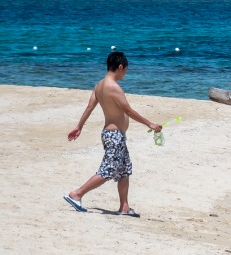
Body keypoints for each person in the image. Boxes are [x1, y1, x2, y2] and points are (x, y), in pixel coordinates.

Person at [64, 51, 162, 216]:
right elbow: (128, 111)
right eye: (125, 70)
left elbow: (90, 107)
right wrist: (150, 124)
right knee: (107, 171)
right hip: (114, 136)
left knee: (124, 170)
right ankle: (77, 194)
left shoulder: (100, 85)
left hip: (114, 135)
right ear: (120, 67)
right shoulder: (113, 87)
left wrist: (79, 126)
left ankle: (124, 207)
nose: (125, 74)